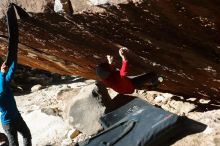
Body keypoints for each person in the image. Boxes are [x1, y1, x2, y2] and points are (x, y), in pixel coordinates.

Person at [0, 4, 31, 146]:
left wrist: (13, 59)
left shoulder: (3, 83)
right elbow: (1, 91)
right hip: (8, 123)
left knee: (27, 136)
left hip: (16, 117)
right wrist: (1, 74)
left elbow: (10, 75)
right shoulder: (2, 86)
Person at [96, 47, 163, 94]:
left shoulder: (105, 77)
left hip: (124, 86)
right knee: (151, 74)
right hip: (129, 87)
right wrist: (123, 57)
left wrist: (110, 61)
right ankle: (154, 84)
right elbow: (123, 72)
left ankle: (144, 86)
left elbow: (110, 70)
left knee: (138, 83)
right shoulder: (116, 79)